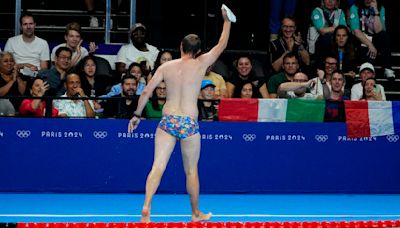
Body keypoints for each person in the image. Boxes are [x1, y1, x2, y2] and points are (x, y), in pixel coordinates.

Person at [127, 5, 232, 222]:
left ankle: (146, 207)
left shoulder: (167, 66)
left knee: (158, 166)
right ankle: (195, 213)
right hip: (189, 122)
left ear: (180, 47)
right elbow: (221, 45)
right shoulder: (202, 63)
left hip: (168, 120)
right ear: (199, 52)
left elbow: (146, 90)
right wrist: (227, 21)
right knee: (191, 171)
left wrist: (137, 114)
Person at [349, 0, 396, 80]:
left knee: (384, 36)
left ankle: (388, 68)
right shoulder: (355, 8)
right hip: (361, 39)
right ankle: (368, 77)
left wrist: (376, 12)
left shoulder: (381, 8)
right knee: (366, 50)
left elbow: (379, 30)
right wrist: (370, 45)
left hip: (375, 38)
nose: (368, 0)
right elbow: (356, 31)